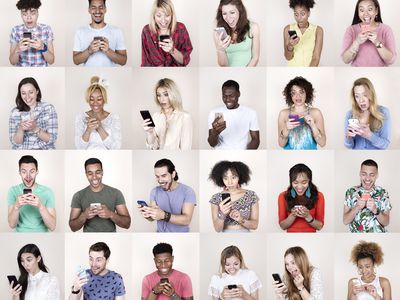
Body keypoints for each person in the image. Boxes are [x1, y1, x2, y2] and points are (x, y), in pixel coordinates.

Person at [69, 158, 131, 232]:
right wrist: (84, 215)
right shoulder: (78, 196)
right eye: (90, 173)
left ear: (102, 173)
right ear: (86, 175)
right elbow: (73, 227)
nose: (94, 177)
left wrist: (111, 214)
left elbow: (127, 224)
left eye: (97, 172)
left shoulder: (116, 193)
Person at [138, 159, 196, 232]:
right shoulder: (154, 191)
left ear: (173, 174)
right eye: (157, 176)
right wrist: (147, 214)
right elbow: (152, 218)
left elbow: (187, 220)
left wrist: (163, 215)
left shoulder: (188, 191)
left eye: (164, 176)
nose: (160, 180)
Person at [7, 155, 56, 232]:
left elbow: (52, 227)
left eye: (32, 171)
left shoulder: (47, 192)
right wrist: (16, 207)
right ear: (19, 173)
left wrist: (41, 206)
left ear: (37, 172)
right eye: (24, 172)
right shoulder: (13, 191)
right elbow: (12, 225)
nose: (28, 176)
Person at [341, 0, 396, 66]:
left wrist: (377, 42)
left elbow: (391, 60)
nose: (366, 13)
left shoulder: (386, 29)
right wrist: (356, 42)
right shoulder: (351, 30)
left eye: (370, 9)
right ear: (358, 13)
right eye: (362, 10)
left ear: (376, 11)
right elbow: (345, 60)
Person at [142, 78, 192, 150]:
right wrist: (150, 132)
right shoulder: (156, 116)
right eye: (158, 95)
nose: (162, 99)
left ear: (173, 94)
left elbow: (186, 148)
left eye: (166, 94)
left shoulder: (185, 117)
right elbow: (151, 146)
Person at [208, 80, 260, 150]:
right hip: (220, 154)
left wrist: (246, 154)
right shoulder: (214, 113)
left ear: (238, 94)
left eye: (231, 96)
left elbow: (255, 139)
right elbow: (212, 144)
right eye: (224, 96)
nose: (227, 99)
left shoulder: (251, 113)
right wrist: (215, 133)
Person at [73, 0, 127, 67]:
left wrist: (108, 51)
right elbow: (76, 61)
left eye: (101, 7)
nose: (97, 11)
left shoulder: (117, 31)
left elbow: (123, 61)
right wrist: (89, 51)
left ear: (105, 9)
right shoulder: (80, 32)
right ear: (89, 10)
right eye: (93, 7)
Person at [209, 161, 259, 232]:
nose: (230, 182)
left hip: (245, 235)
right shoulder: (216, 198)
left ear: (240, 177)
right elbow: (217, 229)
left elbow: (255, 226)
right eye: (226, 178)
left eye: (233, 177)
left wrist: (240, 219)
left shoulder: (251, 195)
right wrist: (222, 213)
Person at [9, 77, 58, 150]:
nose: (27, 97)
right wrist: (21, 129)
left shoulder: (49, 108)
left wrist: (35, 129)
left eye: (31, 92)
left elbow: (52, 139)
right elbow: (15, 143)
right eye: (23, 93)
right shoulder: (14, 112)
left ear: (37, 91)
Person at [277, 76, 326, 150]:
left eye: (301, 92)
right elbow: (281, 144)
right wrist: (286, 129)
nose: (298, 96)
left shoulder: (316, 113)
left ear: (307, 93)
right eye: (294, 93)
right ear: (290, 95)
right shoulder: (283, 114)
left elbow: (322, 143)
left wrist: (313, 126)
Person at [343, 159, 391, 233]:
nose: (367, 178)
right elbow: (345, 221)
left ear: (377, 175)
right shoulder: (350, 192)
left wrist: (375, 210)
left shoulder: (383, 193)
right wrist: (356, 207)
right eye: (364, 174)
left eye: (372, 175)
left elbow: (386, 222)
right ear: (360, 173)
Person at [141, 0, 193, 66]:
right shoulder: (146, 31)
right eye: (159, 16)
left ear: (172, 15)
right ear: (154, 16)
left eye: (167, 15)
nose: (163, 20)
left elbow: (185, 61)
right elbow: (145, 62)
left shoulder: (181, 28)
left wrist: (172, 51)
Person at [75, 76, 121, 149]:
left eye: (99, 99)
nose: (95, 103)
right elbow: (79, 147)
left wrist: (99, 128)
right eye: (91, 99)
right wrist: (88, 130)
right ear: (88, 100)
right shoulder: (80, 117)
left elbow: (116, 148)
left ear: (104, 99)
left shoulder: (114, 117)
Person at [344, 77, 390, 150]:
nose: (361, 100)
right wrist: (348, 137)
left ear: (371, 94)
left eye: (365, 95)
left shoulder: (383, 112)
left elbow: (385, 145)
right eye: (357, 96)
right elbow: (348, 146)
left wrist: (369, 135)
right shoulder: (350, 115)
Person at [278, 163, 324, 232]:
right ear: (291, 182)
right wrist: (293, 215)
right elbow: (283, 226)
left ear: (309, 181)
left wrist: (307, 216)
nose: (299, 187)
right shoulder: (282, 196)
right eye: (295, 183)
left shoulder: (319, 196)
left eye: (304, 182)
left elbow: (319, 226)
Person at [213, 0, 260, 67]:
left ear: (240, 11)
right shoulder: (218, 33)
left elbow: (255, 58)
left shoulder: (254, 28)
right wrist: (220, 50)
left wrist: (245, 72)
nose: (228, 18)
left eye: (232, 12)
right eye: (224, 13)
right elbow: (223, 65)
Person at [9, 0, 55, 67]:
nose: (29, 17)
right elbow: (12, 62)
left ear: (37, 13)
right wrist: (17, 49)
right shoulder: (15, 30)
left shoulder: (46, 29)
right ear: (21, 15)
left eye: (33, 13)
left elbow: (51, 61)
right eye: (24, 14)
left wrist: (43, 48)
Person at [283, 0, 323, 66]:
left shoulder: (318, 30)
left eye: (302, 14)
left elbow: (316, 58)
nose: (299, 18)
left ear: (309, 13)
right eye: (296, 14)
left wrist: (308, 72)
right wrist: (290, 46)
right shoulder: (287, 29)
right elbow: (288, 58)